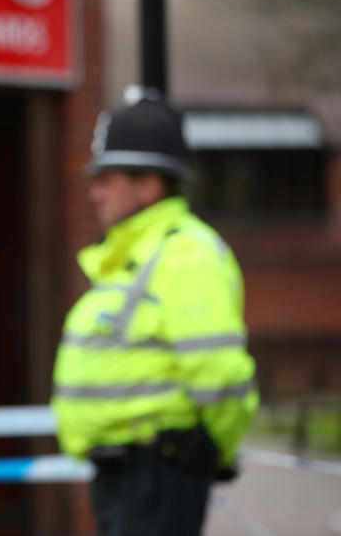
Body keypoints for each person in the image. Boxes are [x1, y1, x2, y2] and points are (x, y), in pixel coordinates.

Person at [50, 96, 258, 536]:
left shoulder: (186, 255)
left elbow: (218, 372)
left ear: (148, 185)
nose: (94, 193)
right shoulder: (137, 255)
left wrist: (213, 448)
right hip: (125, 474)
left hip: (158, 471)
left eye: (107, 179)